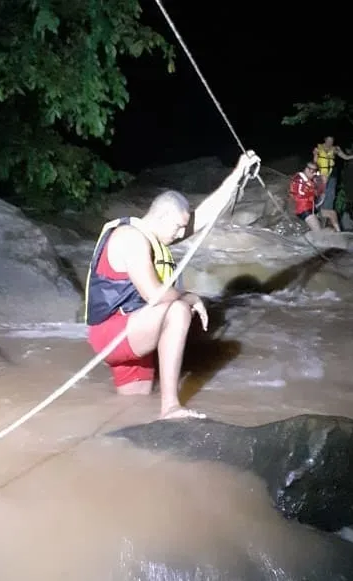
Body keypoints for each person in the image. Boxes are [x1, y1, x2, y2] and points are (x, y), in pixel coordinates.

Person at [84, 151, 261, 420]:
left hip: (136, 331)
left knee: (132, 408)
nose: (181, 235)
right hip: (114, 334)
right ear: (163, 217)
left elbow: (202, 216)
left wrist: (237, 175)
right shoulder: (131, 238)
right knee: (177, 309)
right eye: (178, 228)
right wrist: (189, 297)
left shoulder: (156, 235)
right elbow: (154, 296)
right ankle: (170, 407)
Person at [313, 136, 353, 224]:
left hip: (332, 174)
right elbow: (315, 161)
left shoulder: (336, 149)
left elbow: (346, 157)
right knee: (320, 194)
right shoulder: (318, 148)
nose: (330, 142)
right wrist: (315, 173)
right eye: (329, 140)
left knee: (330, 195)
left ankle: (327, 217)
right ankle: (318, 214)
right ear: (325, 139)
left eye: (332, 140)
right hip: (321, 173)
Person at [289, 161, 340, 231]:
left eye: (315, 171)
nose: (314, 173)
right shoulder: (299, 179)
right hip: (304, 210)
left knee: (332, 214)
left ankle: (339, 233)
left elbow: (318, 191)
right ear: (306, 169)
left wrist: (321, 184)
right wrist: (315, 186)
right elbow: (298, 195)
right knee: (319, 231)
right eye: (312, 171)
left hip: (312, 208)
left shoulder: (311, 179)